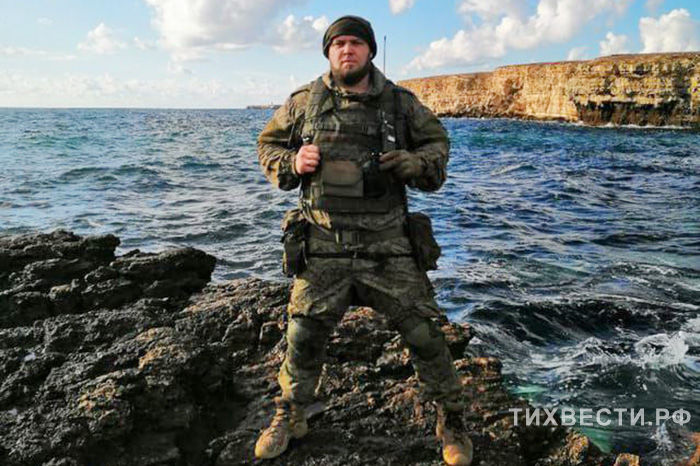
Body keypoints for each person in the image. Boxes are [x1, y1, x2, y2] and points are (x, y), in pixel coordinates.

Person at [255, 15, 473, 466]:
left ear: (370, 50)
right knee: (302, 333)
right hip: (323, 242)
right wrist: (293, 162)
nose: (347, 50)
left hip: (387, 244)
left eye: (355, 43)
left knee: (424, 333)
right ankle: (291, 413)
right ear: (328, 52)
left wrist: (415, 163)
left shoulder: (400, 104)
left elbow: (438, 145)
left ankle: (451, 418)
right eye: (338, 44)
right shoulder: (303, 103)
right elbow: (267, 145)